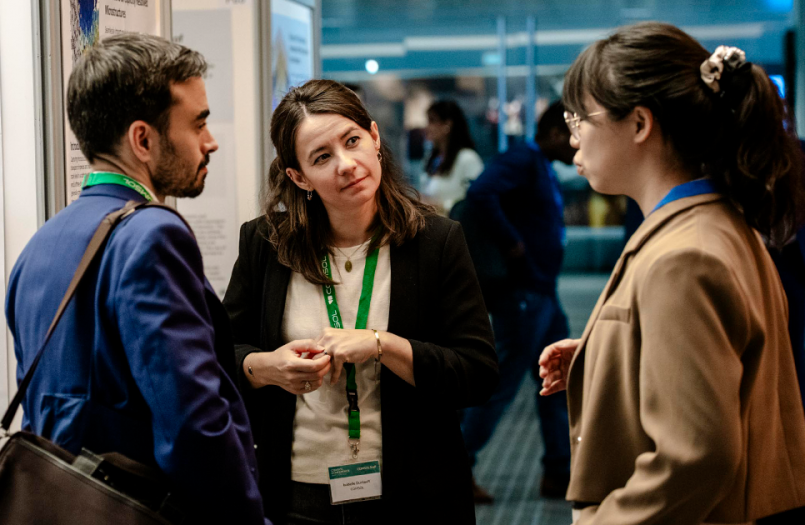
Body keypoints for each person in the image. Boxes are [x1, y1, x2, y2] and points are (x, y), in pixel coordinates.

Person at [539, 22, 805, 524]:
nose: (572, 137)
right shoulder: (721, 224)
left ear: (640, 123)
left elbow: (696, 457)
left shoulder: (683, 257)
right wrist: (608, 356)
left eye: (580, 118)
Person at [5, 34, 268, 524]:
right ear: (143, 140)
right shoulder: (152, 235)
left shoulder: (41, 244)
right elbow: (193, 424)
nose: (210, 142)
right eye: (198, 123)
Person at [223, 79, 499, 525]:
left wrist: (380, 344)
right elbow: (222, 356)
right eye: (322, 157)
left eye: (352, 141)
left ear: (374, 137)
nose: (346, 165)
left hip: (412, 495)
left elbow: (477, 373)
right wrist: (267, 367)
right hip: (295, 494)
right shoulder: (266, 244)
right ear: (298, 177)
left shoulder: (436, 241)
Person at [460, 100, 578, 502]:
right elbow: (481, 192)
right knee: (501, 386)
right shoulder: (523, 159)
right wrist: (512, 242)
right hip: (523, 293)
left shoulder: (540, 164)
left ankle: (558, 473)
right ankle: (456, 468)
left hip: (543, 291)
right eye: (573, 134)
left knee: (558, 381)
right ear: (557, 133)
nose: (578, 145)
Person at [420, 100, 484, 215]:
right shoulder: (433, 159)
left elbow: (476, 199)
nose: (427, 127)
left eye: (432, 121)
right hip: (434, 223)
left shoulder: (468, 158)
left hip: (455, 223)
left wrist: (442, 206)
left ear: (447, 125)